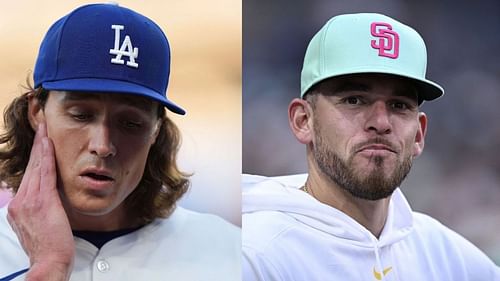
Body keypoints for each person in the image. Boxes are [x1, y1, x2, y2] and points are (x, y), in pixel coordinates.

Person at [242, 13, 500, 280]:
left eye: (399, 105)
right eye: (354, 100)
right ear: (303, 120)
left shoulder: (448, 259)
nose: (380, 122)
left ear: (419, 134)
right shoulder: (255, 255)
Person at [0, 3, 240, 281]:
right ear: (36, 113)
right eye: (81, 115)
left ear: (156, 130)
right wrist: (48, 269)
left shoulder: (228, 252)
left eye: (130, 123)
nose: (103, 146)